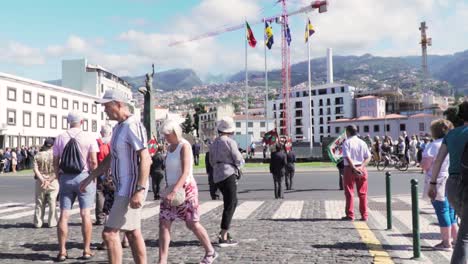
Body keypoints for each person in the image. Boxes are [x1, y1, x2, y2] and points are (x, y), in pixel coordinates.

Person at [80, 89, 151, 264]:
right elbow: (111, 158)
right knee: (133, 232)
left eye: (106, 106)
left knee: (109, 233)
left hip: (131, 187)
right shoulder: (119, 127)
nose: (104, 110)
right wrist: (90, 177)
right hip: (123, 187)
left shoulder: (132, 125)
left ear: (118, 104)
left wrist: (140, 190)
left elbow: (146, 158)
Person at [158, 120, 217, 264]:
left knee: (192, 223)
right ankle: (162, 260)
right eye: (164, 135)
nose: (165, 137)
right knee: (164, 223)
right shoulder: (169, 147)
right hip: (171, 188)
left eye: (167, 134)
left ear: (175, 133)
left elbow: (185, 172)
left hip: (185, 189)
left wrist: (175, 190)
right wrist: (166, 189)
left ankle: (210, 251)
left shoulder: (184, 146)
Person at [53, 111, 99, 262]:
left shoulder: (60, 137)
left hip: (66, 177)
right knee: (85, 213)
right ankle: (86, 250)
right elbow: (93, 161)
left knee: (64, 214)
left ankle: (62, 251)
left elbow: (55, 161)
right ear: (82, 122)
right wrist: (93, 177)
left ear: (68, 121)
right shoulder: (89, 137)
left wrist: (59, 176)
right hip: (84, 177)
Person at [429, 102, 468, 264]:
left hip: (452, 185)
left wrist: (432, 184)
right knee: (464, 236)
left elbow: (438, 161)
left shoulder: (451, 135)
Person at [421, 119, 457, 250]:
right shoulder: (453, 143)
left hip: (437, 181)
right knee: (451, 211)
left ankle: (446, 243)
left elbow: (425, 165)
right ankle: (456, 240)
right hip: (452, 180)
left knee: (442, 211)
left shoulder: (433, 145)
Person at [209, 116, 244, 247]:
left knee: (229, 202)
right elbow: (238, 158)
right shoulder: (230, 142)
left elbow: (211, 160)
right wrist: (240, 164)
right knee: (231, 203)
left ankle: (224, 231)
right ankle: (223, 234)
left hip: (217, 175)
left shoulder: (214, 143)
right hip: (228, 173)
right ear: (231, 131)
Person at [341, 125, 371, 221]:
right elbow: (368, 157)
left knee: (349, 192)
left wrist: (353, 168)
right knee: (363, 193)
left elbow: (347, 157)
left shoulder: (346, 142)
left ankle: (350, 215)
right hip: (361, 168)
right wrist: (361, 167)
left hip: (350, 169)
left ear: (348, 132)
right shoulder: (362, 142)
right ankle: (364, 215)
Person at [33, 138, 59, 228]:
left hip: (41, 181)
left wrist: (43, 179)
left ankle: (38, 222)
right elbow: (57, 169)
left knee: (40, 202)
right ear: (52, 145)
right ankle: (52, 222)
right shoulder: (56, 155)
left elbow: (35, 169)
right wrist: (49, 180)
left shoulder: (38, 155)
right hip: (53, 180)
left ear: (44, 144)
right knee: (52, 201)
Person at [95, 125, 112, 226]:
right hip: (111, 171)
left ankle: (100, 218)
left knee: (99, 193)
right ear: (110, 133)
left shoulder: (97, 142)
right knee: (111, 193)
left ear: (101, 133)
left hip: (100, 170)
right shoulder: (113, 142)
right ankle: (110, 215)